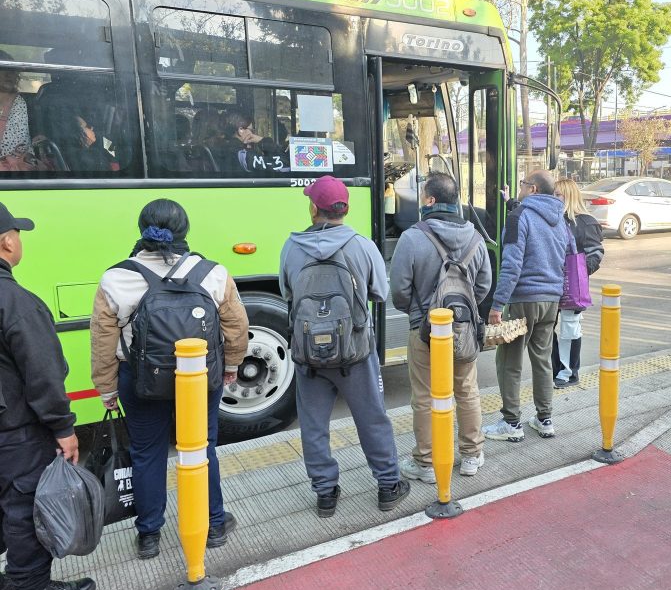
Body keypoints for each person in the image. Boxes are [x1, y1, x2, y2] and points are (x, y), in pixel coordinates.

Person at [90, 199, 248, 560]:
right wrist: (231, 367)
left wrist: (107, 387)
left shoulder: (116, 277)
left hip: (141, 381)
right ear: (184, 230)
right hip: (198, 378)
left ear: (141, 230)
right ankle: (215, 524)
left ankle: (149, 535)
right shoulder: (213, 272)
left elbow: (103, 339)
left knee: (147, 454)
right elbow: (236, 327)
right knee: (202, 448)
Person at [280, 175, 410, 516]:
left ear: (313, 209)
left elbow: (288, 294)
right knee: (372, 418)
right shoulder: (362, 245)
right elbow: (380, 294)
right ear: (345, 209)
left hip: (308, 354)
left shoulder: (291, 247)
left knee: (313, 425)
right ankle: (387, 486)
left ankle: (325, 494)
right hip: (354, 351)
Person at [0, 202, 96, 590]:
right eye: (17, 233)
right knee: (23, 507)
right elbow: (43, 374)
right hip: (15, 430)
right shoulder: (17, 303)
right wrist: (63, 427)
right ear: (6, 242)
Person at [390, 172, 491, 482]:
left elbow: (399, 290)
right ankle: (471, 456)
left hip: (424, 330)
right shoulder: (475, 237)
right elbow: (484, 284)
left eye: (423, 195)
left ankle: (426, 462)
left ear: (431, 200)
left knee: (424, 395)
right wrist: (463, 310)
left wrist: (418, 313)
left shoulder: (411, 237)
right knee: (466, 390)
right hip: (462, 330)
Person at [483, 170, 572, 441]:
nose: (520, 188)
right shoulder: (560, 220)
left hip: (523, 299)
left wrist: (497, 304)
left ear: (532, 189)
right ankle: (545, 419)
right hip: (551, 301)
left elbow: (511, 264)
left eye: (522, 184)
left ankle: (511, 422)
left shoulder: (519, 216)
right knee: (543, 360)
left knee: (509, 361)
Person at [550, 178, 604, 388]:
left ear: (568, 195)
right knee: (548, 328)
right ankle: (557, 370)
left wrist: (579, 273)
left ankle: (569, 373)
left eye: (558, 194)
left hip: (571, 285)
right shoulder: (552, 219)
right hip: (552, 282)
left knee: (570, 329)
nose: (554, 198)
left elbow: (596, 253)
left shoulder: (585, 222)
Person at [221, 107, 287, 173]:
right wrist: (262, 140)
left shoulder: (226, 148)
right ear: (241, 130)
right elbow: (282, 165)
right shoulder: (242, 154)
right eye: (251, 130)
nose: (252, 134)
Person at [0, 52, 34, 170]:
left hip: (13, 170)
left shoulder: (18, 102)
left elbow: (23, 145)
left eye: (13, 70)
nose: (10, 74)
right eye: (4, 68)